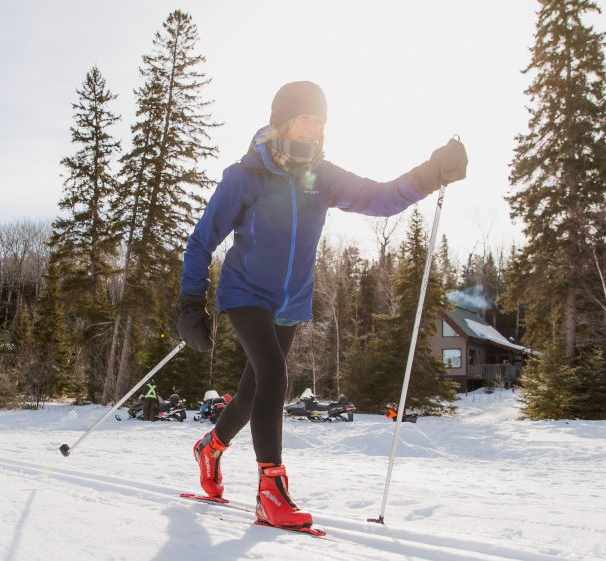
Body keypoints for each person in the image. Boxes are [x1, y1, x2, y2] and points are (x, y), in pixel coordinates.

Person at [176, 81, 466, 528]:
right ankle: (270, 489)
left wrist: (432, 173)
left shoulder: (322, 176)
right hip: (245, 294)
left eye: (320, 122)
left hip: (291, 301)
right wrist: (191, 301)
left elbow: (381, 198)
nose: (313, 130)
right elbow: (200, 242)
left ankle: (210, 447)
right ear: (282, 123)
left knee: (255, 390)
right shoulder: (245, 176)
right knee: (274, 374)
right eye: (306, 119)